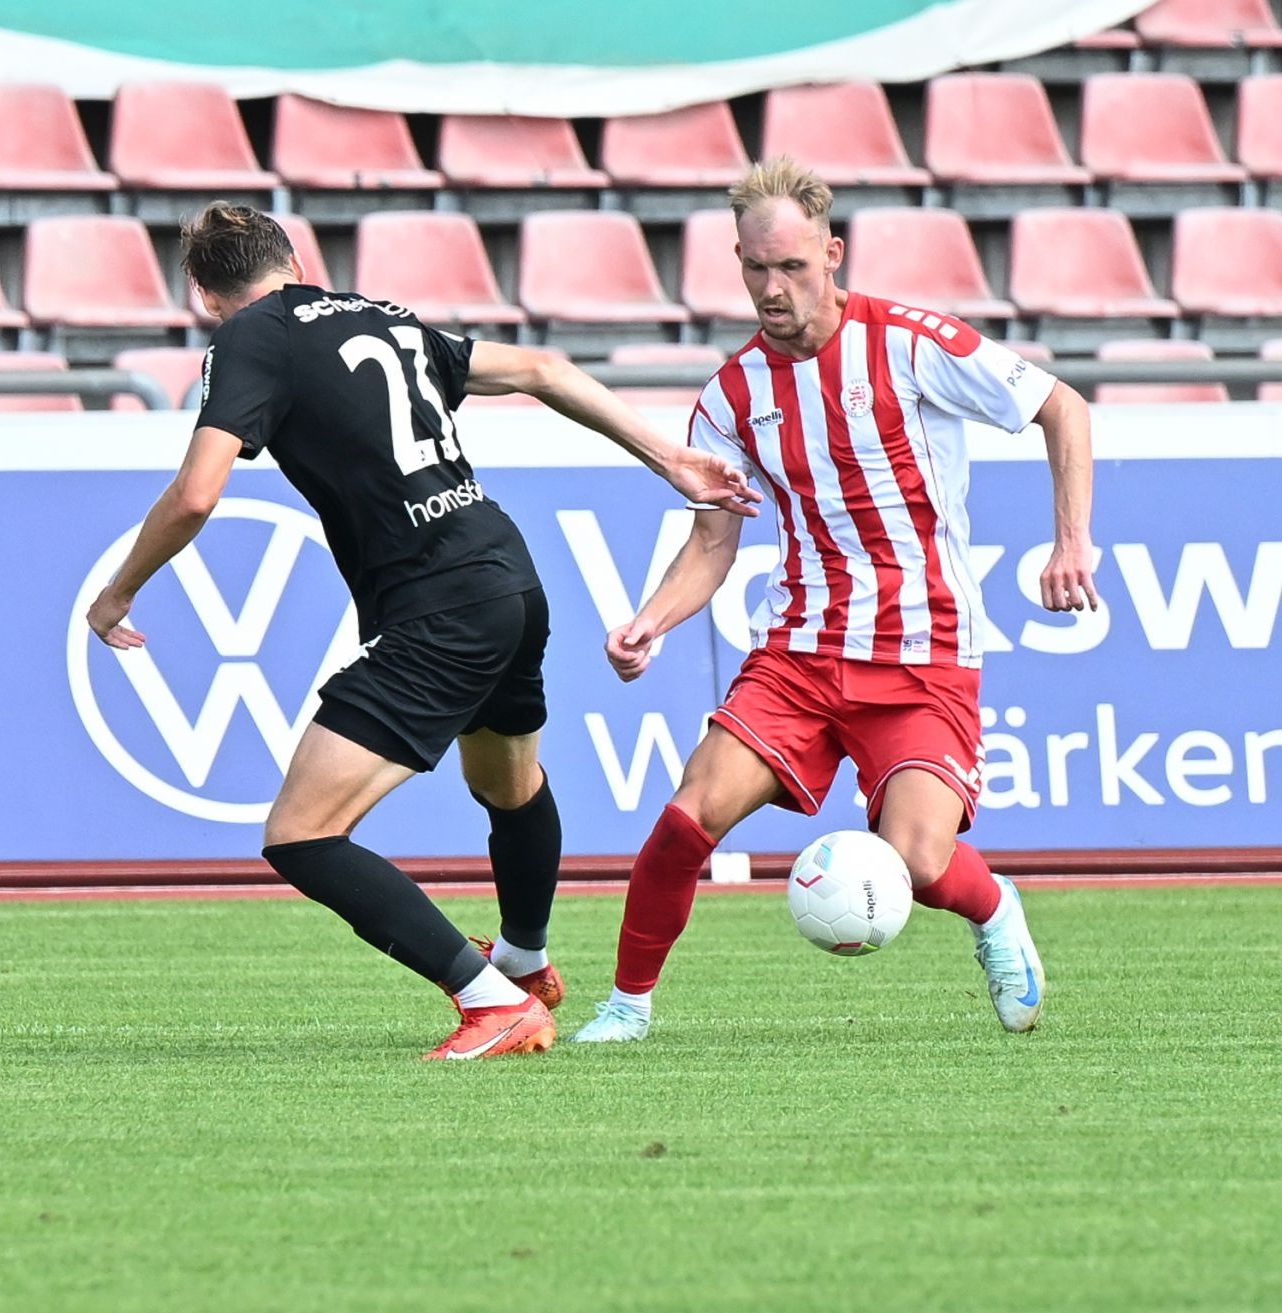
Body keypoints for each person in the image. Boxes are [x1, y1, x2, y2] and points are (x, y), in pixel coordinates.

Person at [86, 202, 760, 1060]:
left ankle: (492, 1002)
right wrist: (669, 458)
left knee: (301, 833)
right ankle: (523, 961)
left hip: (438, 603)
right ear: (296, 261)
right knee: (509, 782)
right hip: (507, 574)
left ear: (204, 295)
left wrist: (116, 594)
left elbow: (195, 494)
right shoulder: (382, 315)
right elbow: (544, 367)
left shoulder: (249, 337)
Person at [572, 158, 1099, 1043]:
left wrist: (1071, 540)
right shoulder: (732, 395)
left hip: (924, 647)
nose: (772, 288)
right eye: (755, 268)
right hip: (801, 650)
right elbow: (713, 541)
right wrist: (650, 621)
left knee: (920, 861)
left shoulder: (910, 343)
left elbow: (1063, 406)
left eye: (791, 266)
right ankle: (627, 1006)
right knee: (687, 815)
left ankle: (994, 906)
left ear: (831, 253)